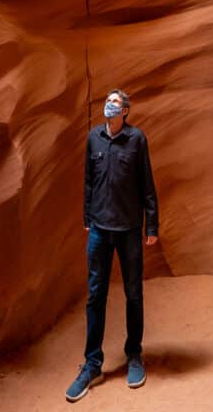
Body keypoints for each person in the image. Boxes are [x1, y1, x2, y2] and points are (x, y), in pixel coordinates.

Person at [65, 88, 159, 403]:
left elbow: (147, 183)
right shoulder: (94, 138)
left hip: (130, 229)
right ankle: (92, 364)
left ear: (126, 111)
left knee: (133, 294)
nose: (109, 105)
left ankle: (134, 356)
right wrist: (87, 216)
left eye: (115, 103)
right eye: (107, 101)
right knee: (96, 296)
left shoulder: (137, 140)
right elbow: (89, 180)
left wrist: (152, 225)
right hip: (100, 230)